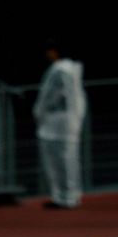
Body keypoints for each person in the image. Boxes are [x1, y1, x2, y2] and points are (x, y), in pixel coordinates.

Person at [33, 38, 87, 209]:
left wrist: (39, 112)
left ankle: (64, 196)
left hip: (57, 122)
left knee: (58, 160)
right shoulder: (73, 70)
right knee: (69, 159)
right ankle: (71, 194)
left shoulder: (59, 71)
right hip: (71, 120)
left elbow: (52, 96)